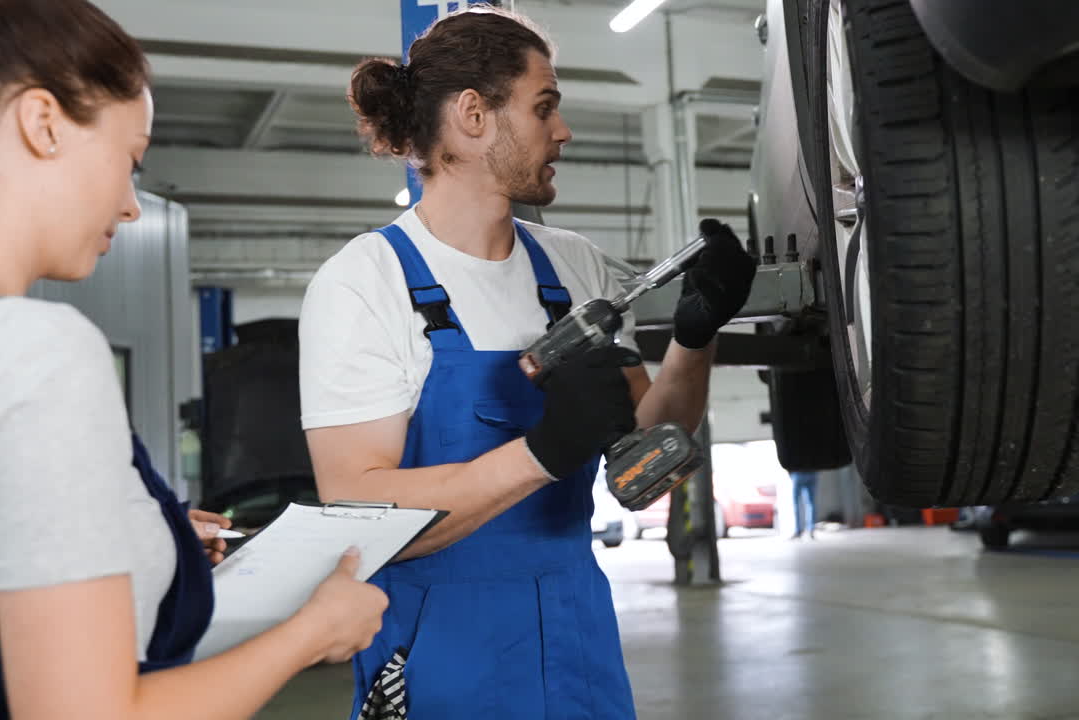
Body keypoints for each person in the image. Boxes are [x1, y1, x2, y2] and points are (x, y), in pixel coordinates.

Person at [0, 2, 387, 718]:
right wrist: (312, 631)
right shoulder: (33, 351)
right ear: (41, 122)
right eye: (129, 161)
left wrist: (141, 535)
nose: (131, 206)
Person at [299, 7, 756, 718]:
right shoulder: (365, 282)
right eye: (544, 108)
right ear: (474, 116)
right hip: (437, 650)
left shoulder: (573, 267)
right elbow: (358, 509)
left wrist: (695, 341)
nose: (563, 131)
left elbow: (645, 467)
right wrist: (541, 454)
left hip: (578, 636)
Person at [789, 470, 818, 539]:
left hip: (798, 472)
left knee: (797, 504)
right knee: (811, 504)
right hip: (812, 472)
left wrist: (790, 472)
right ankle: (811, 530)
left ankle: (798, 530)